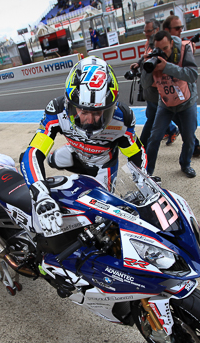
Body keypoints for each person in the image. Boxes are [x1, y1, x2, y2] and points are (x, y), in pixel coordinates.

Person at [20, 57, 146, 234]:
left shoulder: (123, 119)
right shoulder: (56, 110)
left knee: (100, 219)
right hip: (75, 154)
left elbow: (135, 153)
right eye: (84, 111)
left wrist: (144, 182)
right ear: (69, 103)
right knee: (50, 159)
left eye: (98, 113)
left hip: (103, 165)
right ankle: (59, 159)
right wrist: (40, 193)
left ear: (112, 106)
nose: (90, 120)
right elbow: (33, 152)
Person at [143, 31, 200, 178]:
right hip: (166, 104)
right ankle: (148, 172)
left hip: (186, 102)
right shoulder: (152, 56)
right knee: (154, 137)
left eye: (166, 48)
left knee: (189, 137)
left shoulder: (183, 50)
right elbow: (145, 84)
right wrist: (147, 67)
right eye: (159, 49)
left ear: (172, 44)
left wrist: (166, 67)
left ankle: (185, 164)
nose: (163, 52)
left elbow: (193, 75)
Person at [162, 15, 200, 157]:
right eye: (177, 28)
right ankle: (189, 144)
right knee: (180, 125)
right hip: (169, 98)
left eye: (181, 28)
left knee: (189, 126)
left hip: (185, 95)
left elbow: (191, 73)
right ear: (167, 30)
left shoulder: (184, 47)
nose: (180, 30)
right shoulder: (161, 49)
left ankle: (189, 144)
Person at [129, 19, 180, 149]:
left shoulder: (164, 44)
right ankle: (172, 130)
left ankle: (141, 147)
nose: (146, 33)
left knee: (162, 116)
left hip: (160, 89)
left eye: (149, 31)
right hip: (151, 89)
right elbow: (146, 56)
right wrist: (139, 63)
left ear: (157, 29)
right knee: (155, 116)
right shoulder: (149, 42)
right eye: (145, 31)